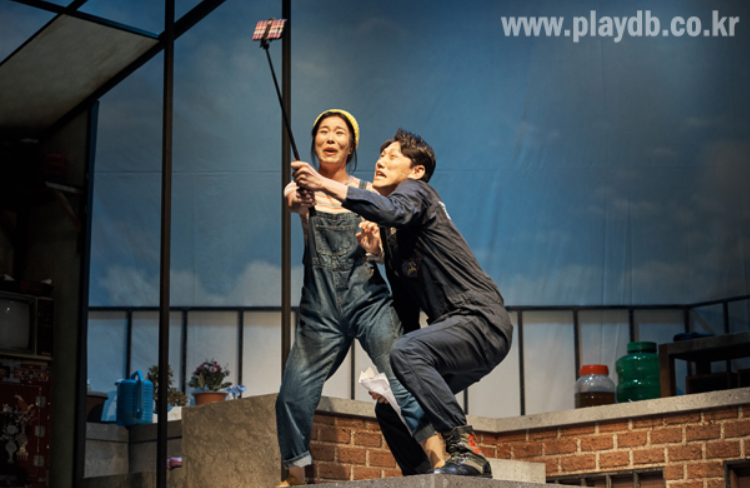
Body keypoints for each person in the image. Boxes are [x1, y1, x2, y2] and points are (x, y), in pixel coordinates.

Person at [291, 128, 514, 478]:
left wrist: (323, 183)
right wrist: (380, 254)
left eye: (392, 156)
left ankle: (468, 451)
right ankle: (426, 479)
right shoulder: (393, 237)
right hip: (459, 336)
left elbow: (393, 209)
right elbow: (407, 316)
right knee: (393, 408)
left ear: (417, 171)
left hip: (480, 320)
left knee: (407, 353)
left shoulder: (417, 192)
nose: (381, 162)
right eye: (381, 156)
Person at [275, 112, 442, 487]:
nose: (330, 137)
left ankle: (440, 459)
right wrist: (301, 194)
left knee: (404, 378)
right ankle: (295, 475)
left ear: (351, 147)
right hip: (319, 311)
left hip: (368, 302)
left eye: (339, 133)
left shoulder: (369, 192)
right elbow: (293, 201)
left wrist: (374, 246)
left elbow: (384, 250)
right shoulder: (301, 189)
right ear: (315, 141)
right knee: (293, 395)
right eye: (323, 131)